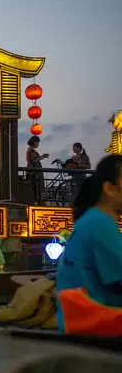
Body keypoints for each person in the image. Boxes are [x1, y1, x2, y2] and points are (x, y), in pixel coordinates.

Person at [56, 154, 122, 330]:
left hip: (80, 325)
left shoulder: (92, 220)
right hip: (97, 330)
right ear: (109, 188)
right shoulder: (100, 224)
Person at [26, 136, 49, 205]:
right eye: (37, 143)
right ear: (34, 142)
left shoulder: (30, 149)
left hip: (32, 171)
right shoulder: (31, 150)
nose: (38, 144)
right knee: (37, 187)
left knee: (34, 187)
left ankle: (36, 200)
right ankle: (38, 201)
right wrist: (43, 156)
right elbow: (34, 160)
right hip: (34, 172)